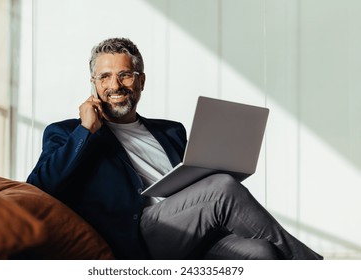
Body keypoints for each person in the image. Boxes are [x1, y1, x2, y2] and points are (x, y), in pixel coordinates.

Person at [27, 37, 323, 260]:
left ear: (141, 81)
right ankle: (319, 270)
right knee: (221, 187)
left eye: (125, 75)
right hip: (140, 237)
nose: (115, 85)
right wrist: (86, 130)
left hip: (198, 232)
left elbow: (194, 186)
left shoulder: (170, 130)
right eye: (104, 77)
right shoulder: (68, 132)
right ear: (93, 84)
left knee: (261, 253)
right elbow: (41, 186)